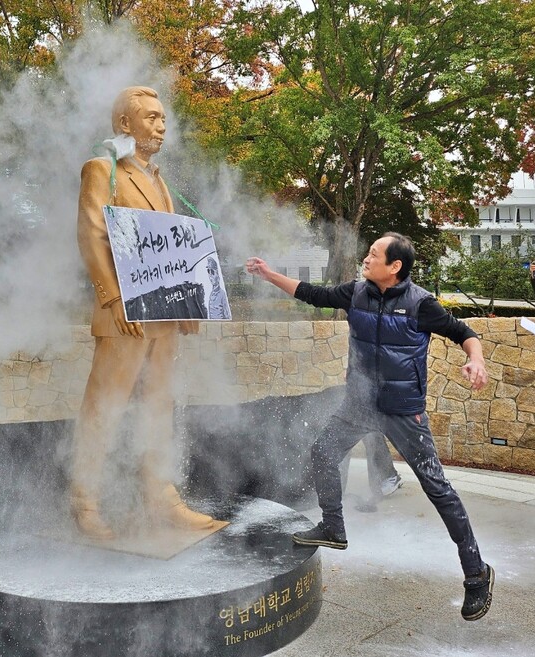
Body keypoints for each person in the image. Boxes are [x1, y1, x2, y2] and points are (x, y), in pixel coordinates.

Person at [246, 232, 494, 621]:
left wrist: (476, 360)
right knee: (322, 452)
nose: (366, 257)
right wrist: (269, 274)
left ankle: (476, 573)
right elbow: (312, 292)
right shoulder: (357, 293)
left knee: (437, 488)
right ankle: (333, 526)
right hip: (358, 405)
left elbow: (465, 334)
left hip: (403, 413)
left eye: (375, 253)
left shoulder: (420, 304)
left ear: (395, 266)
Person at [72, 86, 215, 540]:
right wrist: (114, 299)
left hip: (163, 317)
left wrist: (188, 300)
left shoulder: (159, 180)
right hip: (122, 315)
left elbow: (171, 246)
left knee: (159, 405)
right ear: (124, 124)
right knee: (104, 407)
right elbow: (93, 235)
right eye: (151, 117)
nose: (161, 124)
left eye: (163, 118)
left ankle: (161, 497)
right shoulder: (102, 170)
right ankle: (84, 501)